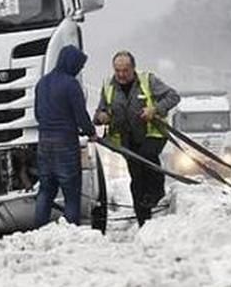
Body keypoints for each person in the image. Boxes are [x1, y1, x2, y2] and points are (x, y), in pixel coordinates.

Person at [94, 50, 181, 226]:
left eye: (125, 70)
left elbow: (173, 96)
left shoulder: (148, 80)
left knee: (148, 158)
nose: (121, 75)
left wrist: (154, 110)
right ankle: (143, 217)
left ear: (133, 68)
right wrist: (102, 116)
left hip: (152, 133)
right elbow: (99, 112)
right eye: (117, 70)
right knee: (136, 176)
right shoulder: (108, 85)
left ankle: (156, 197)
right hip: (126, 139)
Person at [33, 45, 97, 228]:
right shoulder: (71, 84)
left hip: (44, 143)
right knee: (71, 193)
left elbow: (38, 114)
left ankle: (39, 229)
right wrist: (90, 131)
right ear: (71, 63)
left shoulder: (42, 83)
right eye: (79, 65)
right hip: (65, 143)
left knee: (46, 190)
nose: (79, 69)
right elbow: (80, 115)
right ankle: (71, 230)